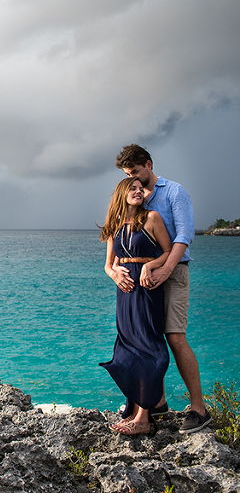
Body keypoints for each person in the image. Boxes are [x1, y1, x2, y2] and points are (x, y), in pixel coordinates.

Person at [113, 144, 211, 435]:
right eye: (129, 175)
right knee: (146, 337)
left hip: (173, 271)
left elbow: (184, 233)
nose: (135, 180)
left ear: (149, 164)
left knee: (175, 336)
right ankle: (156, 402)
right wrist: (116, 268)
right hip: (145, 278)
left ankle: (199, 409)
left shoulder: (174, 192)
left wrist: (166, 268)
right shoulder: (136, 197)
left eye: (136, 172)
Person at [99, 177, 173, 435]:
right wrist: (115, 274)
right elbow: (108, 264)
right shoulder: (115, 224)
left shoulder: (152, 218)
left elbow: (167, 251)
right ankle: (133, 410)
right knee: (128, 347)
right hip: (125, 291)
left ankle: (144, 418)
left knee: (149, 345)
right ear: (121, 192)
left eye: (141, 189)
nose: (139, 192)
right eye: (133, 188)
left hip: (147, 287)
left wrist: (149, 266)